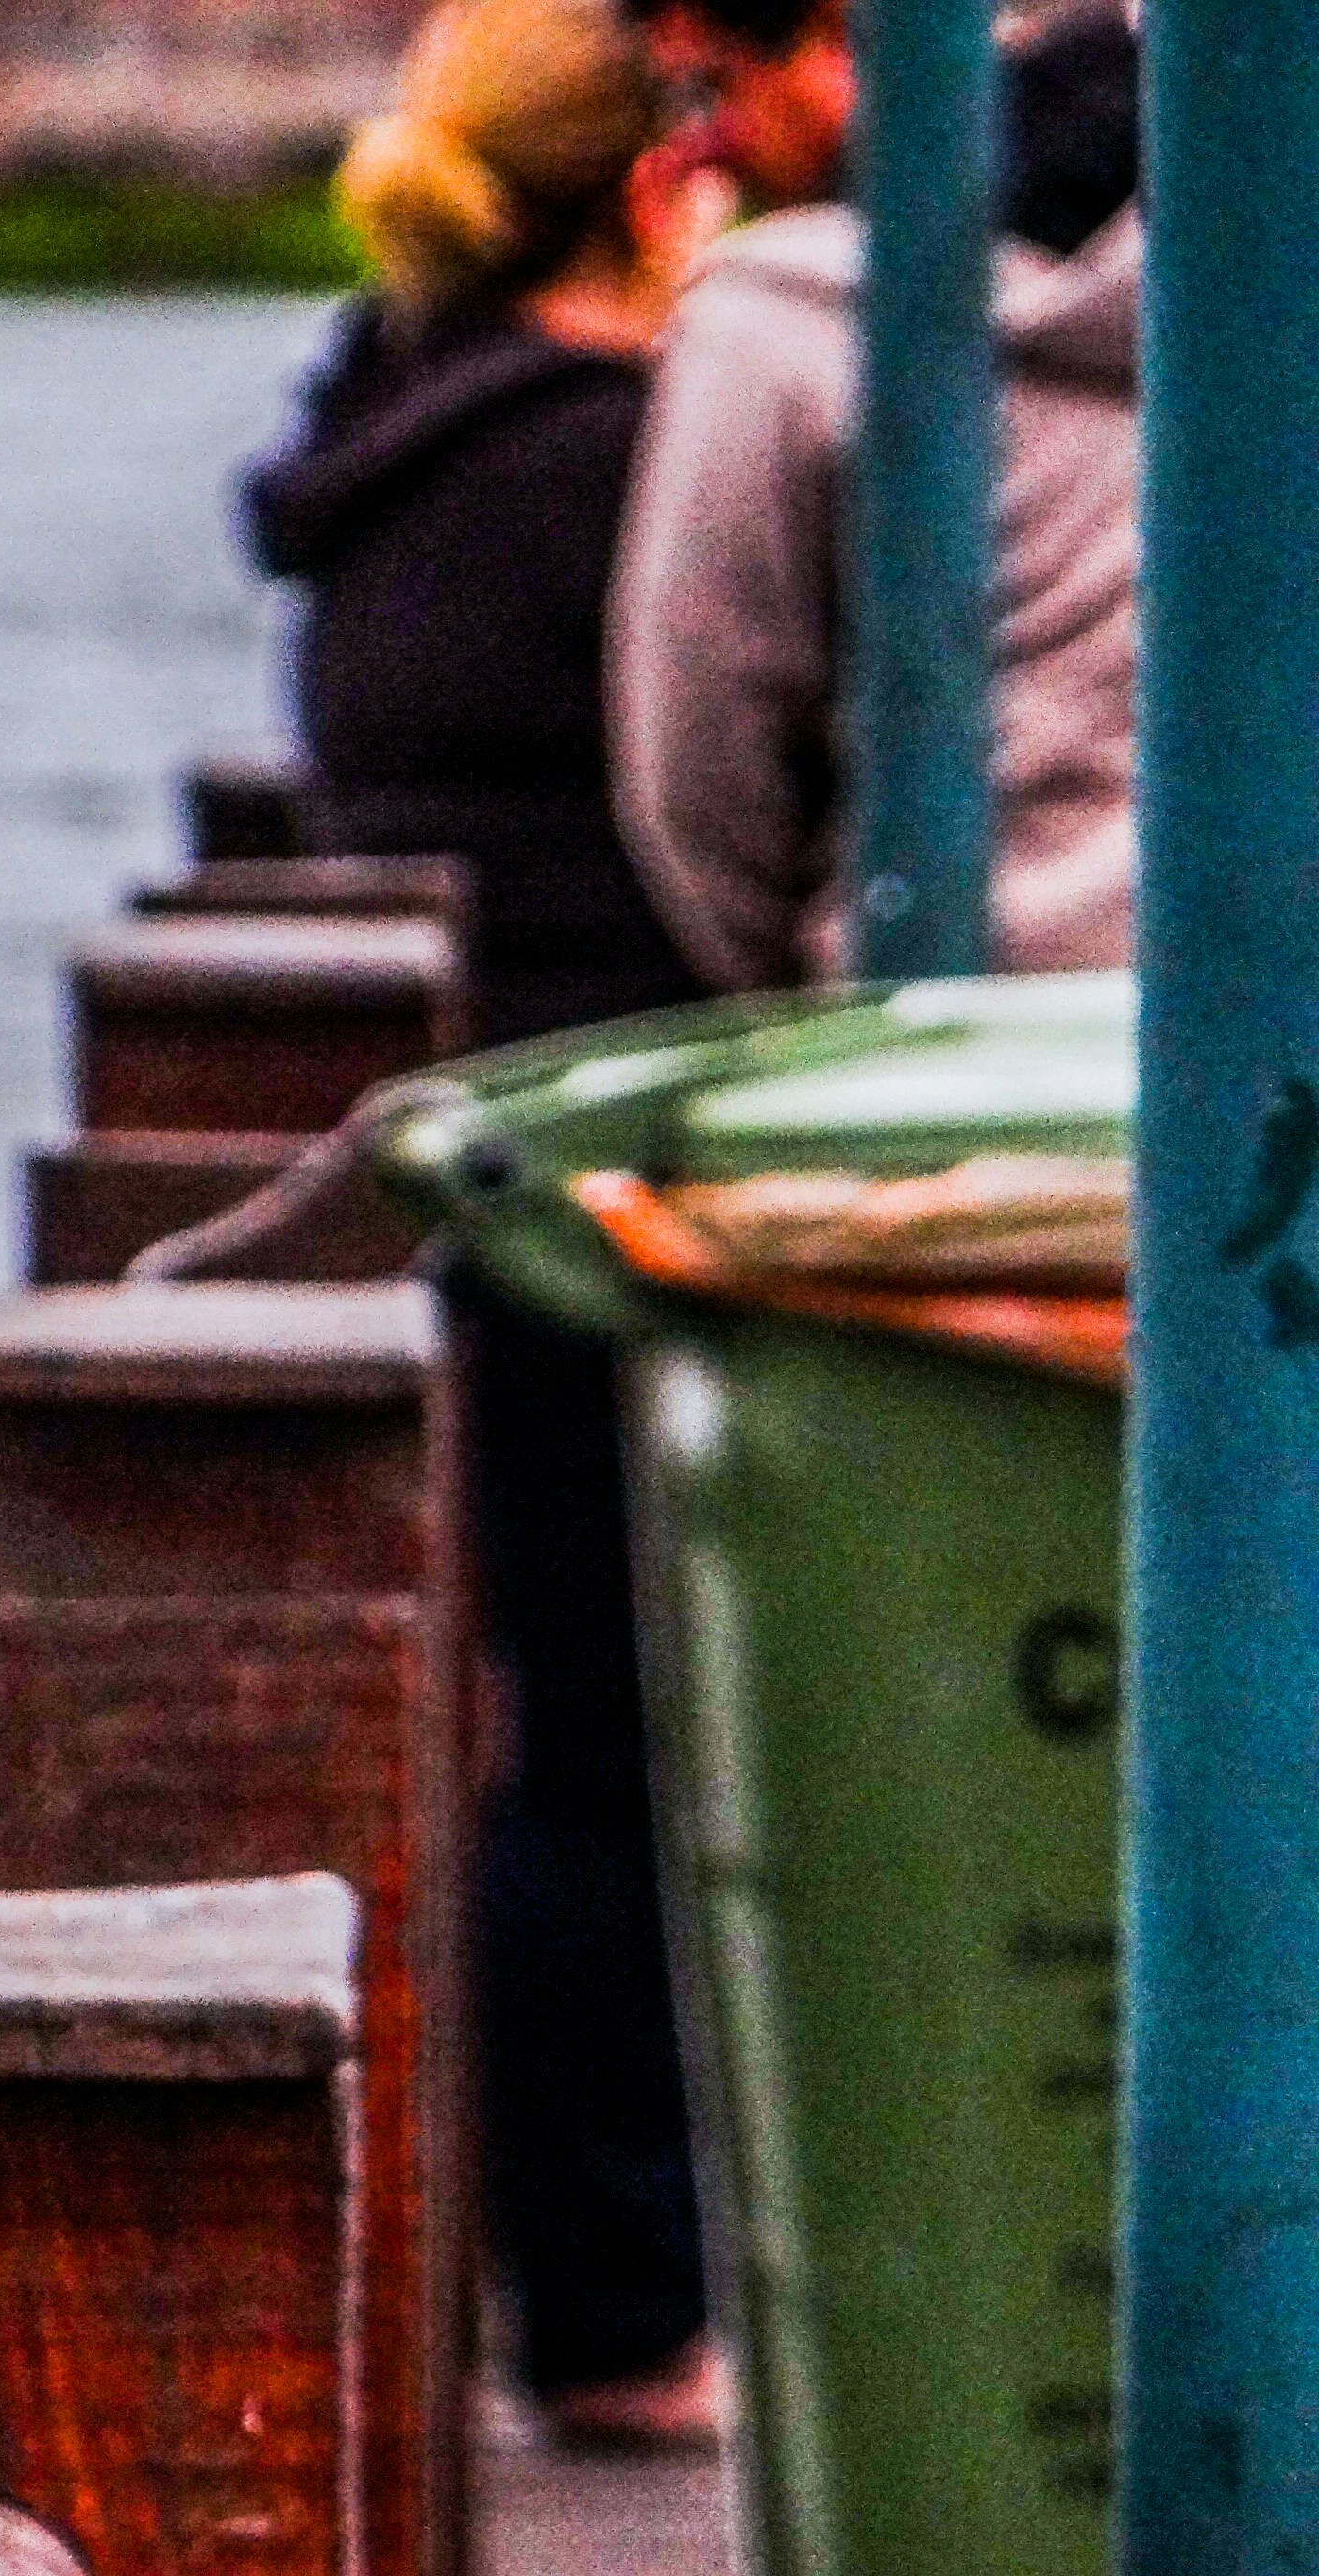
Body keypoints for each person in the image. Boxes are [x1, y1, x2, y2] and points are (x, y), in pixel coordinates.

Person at [240, 0, 723, 2449]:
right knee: (624, 1750)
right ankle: (631, 2307)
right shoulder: (612, 456)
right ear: (657, 182)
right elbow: (732, 770)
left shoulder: (387, 433)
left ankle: (595, 2288)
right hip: (622, 1138)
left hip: (472, 1139)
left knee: (558, 1731)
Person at [609, 0, 1142, 987]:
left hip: (911, 1034)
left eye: (714, 85)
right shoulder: (1252, 309)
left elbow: (695, 774)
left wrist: (815, 990)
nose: (714, 135)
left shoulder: (767, 328)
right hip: (1255, 1027)